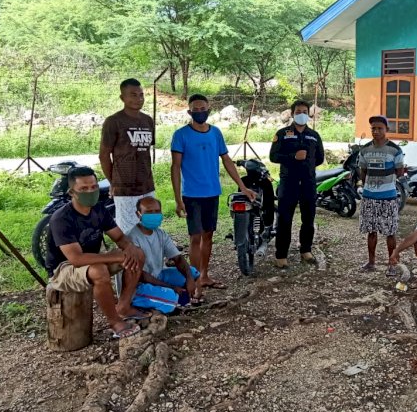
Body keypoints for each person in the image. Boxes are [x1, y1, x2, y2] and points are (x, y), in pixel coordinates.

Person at [45, 166, 146, 339]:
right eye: (83, 189)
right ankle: (115, 323)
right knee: (99, 270)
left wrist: (129, 248)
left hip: (92, 260)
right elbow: (76, 259)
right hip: (62, 269)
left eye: (93, 187)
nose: (90, 192)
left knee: (138, 254)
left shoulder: (99, 210)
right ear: (72, 192)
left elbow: (119, 237)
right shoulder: (62, 218)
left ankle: (123, 306)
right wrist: (116, 256)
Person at [171, 93, 256, 289]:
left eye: (203, 109)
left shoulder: (215, 133)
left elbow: (226, 160)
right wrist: (178, 199)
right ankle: (193, 279)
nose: (200, 112)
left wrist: (242, 187)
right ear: (189, 111)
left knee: (208, 235)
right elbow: (175, 167)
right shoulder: (181, 135)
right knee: (195, 237)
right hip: (191, 194)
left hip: (212, 193)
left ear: (209, 110)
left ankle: (204, 275)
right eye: (196, 110)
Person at [269, 100, 325, 268]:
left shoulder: (314, 135)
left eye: (304, 111)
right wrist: (293, 157)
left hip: (308, 183)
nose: (301, 114)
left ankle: (306, 250)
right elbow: (274, 156)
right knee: (285, 219)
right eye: (298, 111)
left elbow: (320, 158)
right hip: (289, 182)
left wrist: (306, 166)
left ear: (309, 114)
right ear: (292, 114)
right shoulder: (282, 133)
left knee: (308, 218)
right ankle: (281, 255)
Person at [99, 78, 155, 234]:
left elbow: (145, 151)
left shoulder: (147, 121)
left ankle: (151, 258)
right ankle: (131, 259)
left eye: (141, 95)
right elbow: (104, 155)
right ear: (122, 98)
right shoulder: (113, 122)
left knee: (150, 227)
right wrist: (113, 182)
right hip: (125, 189)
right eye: (133, 95)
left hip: (147, 185)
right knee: (129, 233)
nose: (138, 99)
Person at [126, 196, 201, 306]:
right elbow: (141, 275)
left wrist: (189, 279)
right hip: (138, 284)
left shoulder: (160, 234)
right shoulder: (131, 237)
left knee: (193, 273)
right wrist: (171, 287)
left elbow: (178, 258)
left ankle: (176, 297)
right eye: (148, 212)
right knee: (171, 298)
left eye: (156, 211)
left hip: (158, 275)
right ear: (138, 214)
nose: (153, 215)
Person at [358, 115, 405, 275]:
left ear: (387, 130)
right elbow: (363, 172)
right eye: (373, 128)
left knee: (390, 232)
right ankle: (371, 262)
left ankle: (391, 264)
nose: (376, 131)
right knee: (371, 231)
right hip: (369, 197)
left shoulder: (395, 150)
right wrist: (368, 187)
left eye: (380, 128)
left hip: (388, 197)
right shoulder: (365, 150)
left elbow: (399, 171)